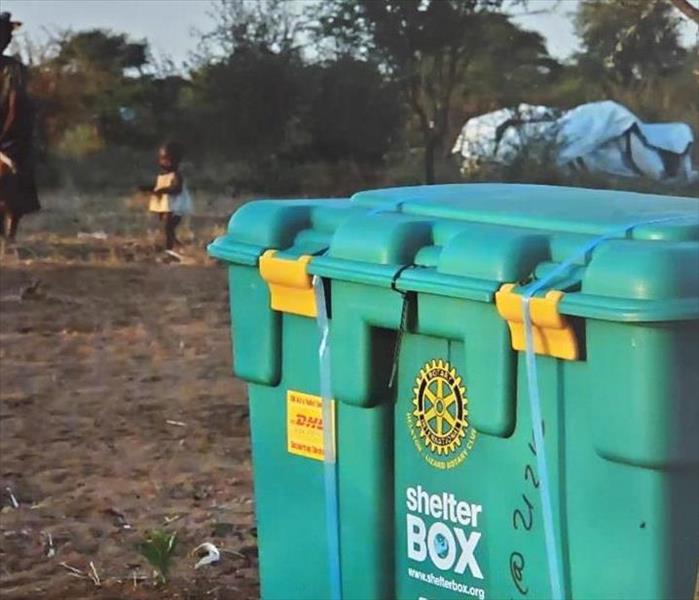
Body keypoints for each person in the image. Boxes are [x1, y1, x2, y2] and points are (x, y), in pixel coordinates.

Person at [0, 12, 40, 243]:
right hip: (9, 134)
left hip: (11, 135)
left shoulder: (14, 69)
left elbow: (16, 106)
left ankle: (10, 239)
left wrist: (5, 135)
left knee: (12, 189)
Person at [142, 141, 192, 258]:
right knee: (167, 229)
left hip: (175, 207)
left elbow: (176, 189)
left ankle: (169, 249)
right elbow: (158, 187)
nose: (164, 162)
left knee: (168, 227)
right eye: (162, 159)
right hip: (165, 206)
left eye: (168, 159)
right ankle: (175, 246)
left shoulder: (176, 175)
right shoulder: (162, 175)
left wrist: (162, 190)